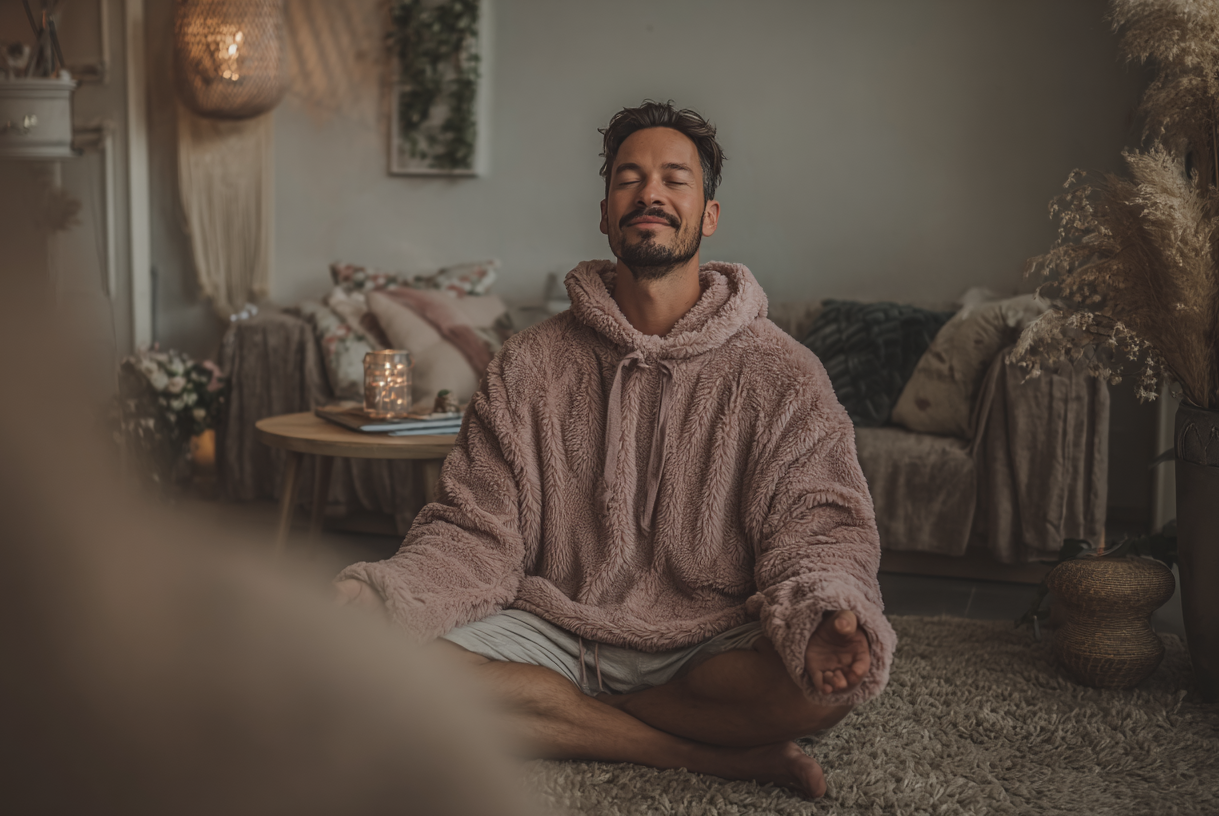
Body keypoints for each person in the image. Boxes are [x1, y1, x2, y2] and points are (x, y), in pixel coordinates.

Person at [335, 101, 897, 800]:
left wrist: (826, 605)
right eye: (629, 179)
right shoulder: (529, 364)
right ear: (605, 213)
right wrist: (388, 593)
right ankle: (700, 752)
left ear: (709, 217)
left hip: (707, 641)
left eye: (674, 179)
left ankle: (570, 720)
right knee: (375, 666)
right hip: (556, 629)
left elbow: (822, 523)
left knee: (822, 689)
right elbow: (473, 529)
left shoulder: (782, 374)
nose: (650, 193)